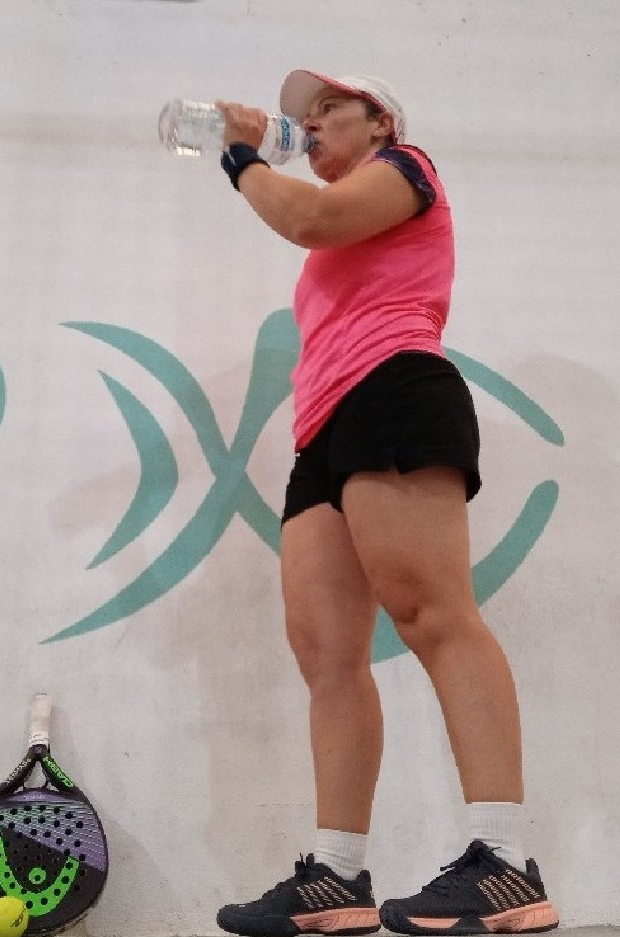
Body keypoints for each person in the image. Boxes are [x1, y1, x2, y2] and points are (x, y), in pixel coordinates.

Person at [211, 71, 560, 937]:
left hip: (396, 389)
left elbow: (307, 217)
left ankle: (505, 861)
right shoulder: (337, 236)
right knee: (326, 653)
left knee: (432, 612)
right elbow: (314, 227)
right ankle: (335, 876)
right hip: (323, 430)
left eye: (329, 108)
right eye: (304, 116)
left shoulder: (407, 170)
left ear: (381, 123)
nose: (311, 123)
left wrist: (244, 156)